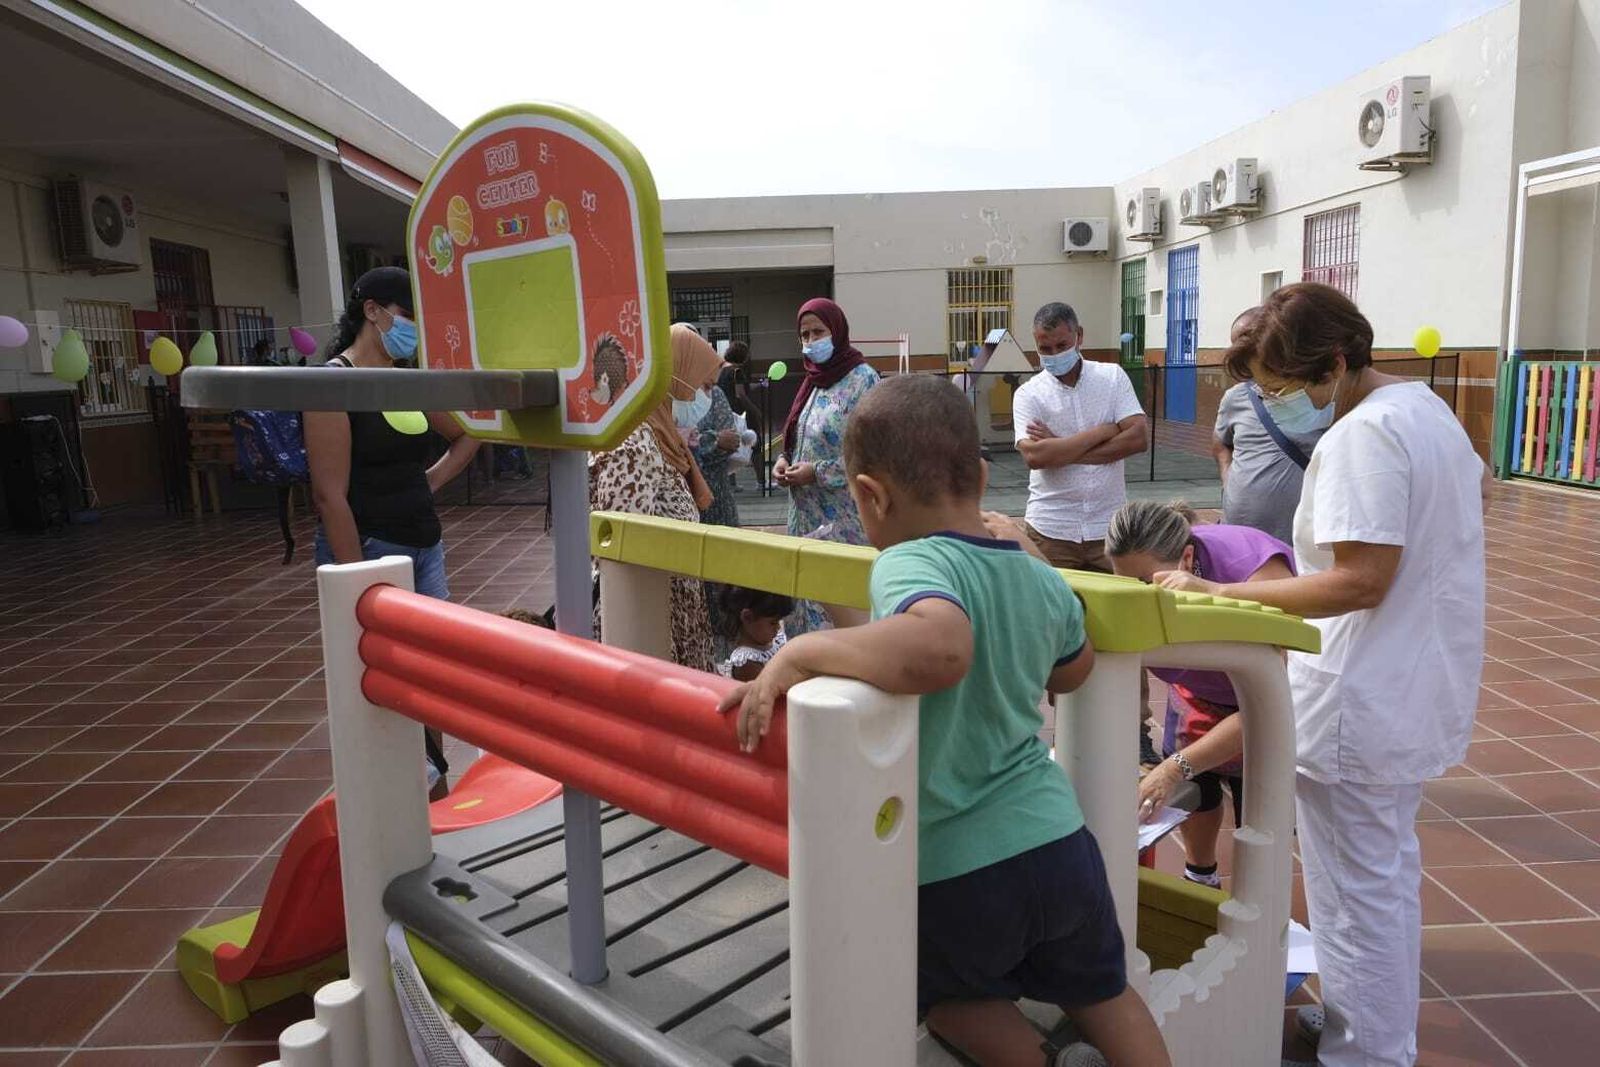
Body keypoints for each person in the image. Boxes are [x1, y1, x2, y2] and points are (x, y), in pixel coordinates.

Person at [721, 375, 1170, 1067]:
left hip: (957, 869)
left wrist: (802, 653)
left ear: (871, 496)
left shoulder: (910, 560)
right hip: (1058, 844)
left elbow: (940, 647)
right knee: (1106, 990)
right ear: (983, 475)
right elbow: (1073, 671)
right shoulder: (1034, 573)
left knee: (953, 1002)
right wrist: (1030, 563)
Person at [1154, 283, 1485, 1067]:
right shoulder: (1424, 410)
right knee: (1381, 876)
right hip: (1405, 680)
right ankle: (1367, 1028)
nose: (1276, 401)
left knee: (1355, 890)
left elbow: (1361, 578)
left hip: (1363, 695)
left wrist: (1226, 592)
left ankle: (1366, 1050)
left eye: (1282, 384)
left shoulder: (1364, 436)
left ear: (1335, 363)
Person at [304, 266, 480, 799]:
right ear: (372, 311)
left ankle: (434, 780)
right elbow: (329, 495)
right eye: (406, 317)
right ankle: (389, 790)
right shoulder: (333, 384)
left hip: (425, 546)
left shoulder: (407, 380)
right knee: (380, 671)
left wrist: (429, 484)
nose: (412, 331)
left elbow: (466, 435)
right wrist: (358, 579)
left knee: (433, 670)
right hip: (373, 546)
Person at [1105, 501, 1294, 889]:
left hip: (1261, 697)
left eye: (1146, 583)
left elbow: (1271, 703)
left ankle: (1261, 905)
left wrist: (1174, 767)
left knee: (1259, 804)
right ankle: (1200, 877)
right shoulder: (1137, 581)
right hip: (1196, 691)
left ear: (1187, 559)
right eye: (1125, 583)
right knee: (1197, 793)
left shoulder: (1249, 567)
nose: (1135, 597)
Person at [1014, 301, 1154, 763]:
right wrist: (1102, 432)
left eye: (1060, 344)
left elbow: (1137, 437)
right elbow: (1037, 459)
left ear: (1080, 336)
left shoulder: (1112, 378)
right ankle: (1068, 731)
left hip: (1109, 529)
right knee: (1055, 634)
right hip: (1051, 530)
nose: (1052, 354)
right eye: (1044, 348)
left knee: (1123, 629)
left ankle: (1135, 731)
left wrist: (1063, 447)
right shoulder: (1029, 394)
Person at [589, 324, 716, 673]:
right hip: (647, 628)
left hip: (670, 615)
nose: (708, 398)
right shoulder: (633, 443)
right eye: (704, 386)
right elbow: (623, 557)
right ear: (675, 378)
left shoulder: (663, 438)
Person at [775, 297, 879, 634]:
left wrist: (817, 472)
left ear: (836, 330)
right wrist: (783, 460)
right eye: (804, 335)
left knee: (839, 615)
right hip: (803, 517)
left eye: (818, 332)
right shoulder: (812, 380)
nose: (810, 342)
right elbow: (797, 434)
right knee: (803, 605)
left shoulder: (863, 380)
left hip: (842, 520)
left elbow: (871, 454)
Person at [1212, 307, 1327, 545]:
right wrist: (1228, 477)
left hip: (1299, 540)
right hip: (1241, 536)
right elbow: (1221, 443)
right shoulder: (1236, 398)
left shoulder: (1320, 395)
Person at [715, 586, 793, 681]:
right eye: (773, 623)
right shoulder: (747, 664)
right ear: (747, 617)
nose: (778, 627)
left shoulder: (775, 641)